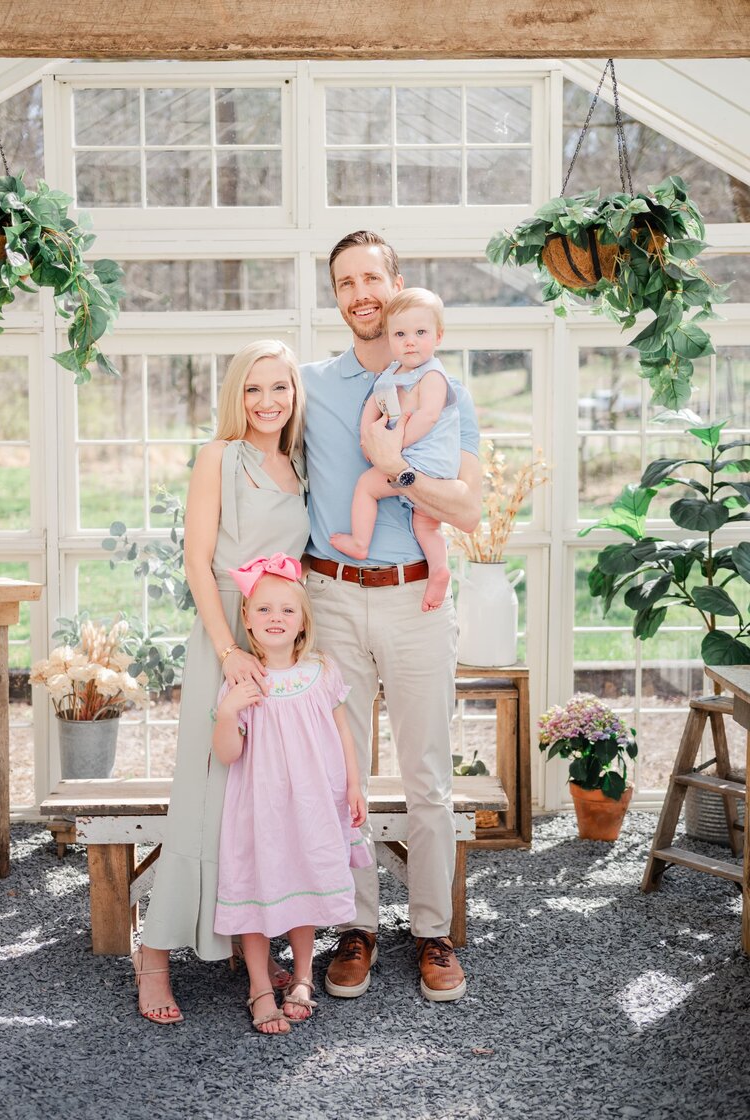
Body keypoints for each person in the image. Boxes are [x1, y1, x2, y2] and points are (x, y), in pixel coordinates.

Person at [301, 231, 482, 1002]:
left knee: (427, 779)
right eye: (345, 283)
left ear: (396, 283)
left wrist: (395, 468)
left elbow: (469, 509)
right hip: (331, 596)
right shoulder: (309, 385)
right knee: (340, 779)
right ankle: (358, 928)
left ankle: (434, 931)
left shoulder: (447, 387)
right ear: (337, 296)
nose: (360, 293)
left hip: (416, 596)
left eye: (371, 278)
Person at [132, 340, 310, 1024]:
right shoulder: (219, 458)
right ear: (236, 394)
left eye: (281, 389)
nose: (268, 402)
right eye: (254, 389)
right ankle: (154, 955)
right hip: (226, 650)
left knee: (262, 804)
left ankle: (249, 940)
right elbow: (199, 563)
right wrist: (228, 648)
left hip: (278, 653)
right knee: (206, 796)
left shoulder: (296, 464)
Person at [212, 554, 370, 1035]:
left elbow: (344, 732)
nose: (275, 619)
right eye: (263, 610)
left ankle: (302, 975)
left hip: (315, 803)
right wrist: (226, 715)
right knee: (257, 884)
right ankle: (260, 985)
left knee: (307, 877)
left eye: (286, 610)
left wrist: (354, 784)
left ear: (303, 621)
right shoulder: (242, 680)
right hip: (260, 807)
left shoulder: (321, 671)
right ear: (246, 619)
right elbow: (227, 753)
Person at [330, 287, 459, 612]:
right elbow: (371, 407)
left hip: (424, 460)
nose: (410, 341)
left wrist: (391, 446)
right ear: (388, 338)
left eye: (420, 333)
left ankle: (360, 543)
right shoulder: (391, 374)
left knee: (366, 486)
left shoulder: (433, 375)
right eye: (400, 334)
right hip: (410, 460)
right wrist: (365, 437)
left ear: (438, 336)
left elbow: (429, 416)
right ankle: (439, 568)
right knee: (425, 523)